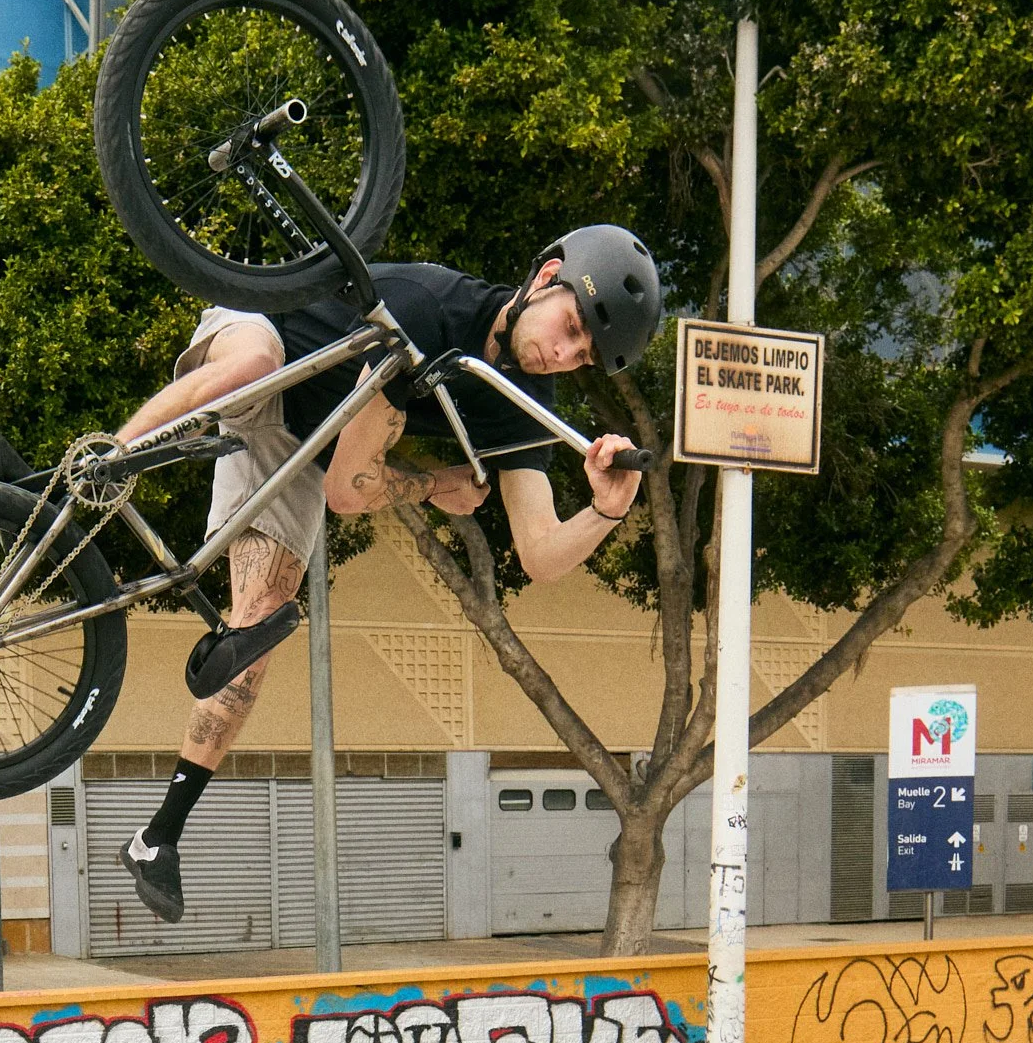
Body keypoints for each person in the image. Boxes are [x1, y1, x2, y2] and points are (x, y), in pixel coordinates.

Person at [116, 227, 663, 923]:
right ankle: (100, 467)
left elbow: (540, 554)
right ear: (546, 275)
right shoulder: (428, 310)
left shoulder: (517, 405)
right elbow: (350, 492)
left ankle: (156, 837)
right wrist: (435, 486)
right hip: (270, 345)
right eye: (570, 326)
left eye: (582, 354)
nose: (561, 354)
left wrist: (604, 511)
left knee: (255, 636)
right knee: (252, 358)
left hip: (298, 439)